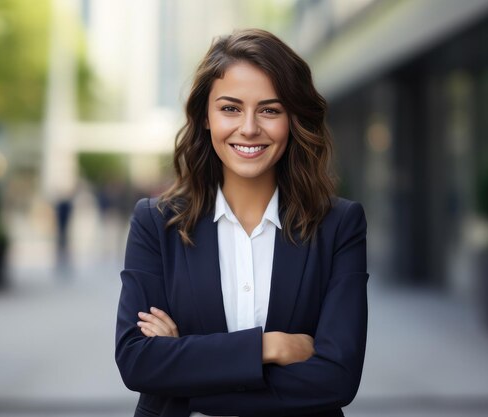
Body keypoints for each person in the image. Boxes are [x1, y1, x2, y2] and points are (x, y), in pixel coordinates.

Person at [115, 28, 368, 417]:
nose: (249, 128)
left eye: (270, 109)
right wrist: (271, 348)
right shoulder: (156, 223)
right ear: (205, 117)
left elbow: (336, 377)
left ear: (293, 119)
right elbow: (137, 361)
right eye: (230, 108)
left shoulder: (338, 226)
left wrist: (183, 376)